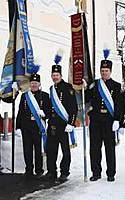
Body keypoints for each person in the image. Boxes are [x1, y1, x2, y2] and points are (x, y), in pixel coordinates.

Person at [85, 50, 121, 182]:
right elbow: (87, 99)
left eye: (106, 70)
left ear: (110, 71)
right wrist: (85, 88)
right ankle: (96, 172)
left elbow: (118, 105)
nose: (104, 72)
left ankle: (111, 173)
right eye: (102, 70)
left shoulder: (116, 86)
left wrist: (117, 119)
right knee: (94, 148)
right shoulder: (94, 84)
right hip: (95, 121)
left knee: (109, 149)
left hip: (109, 121)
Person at [43, 53, 78, 182]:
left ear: (61, 76)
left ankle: (64, 171)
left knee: (65, 151)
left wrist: (71, 123)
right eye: (53, 75)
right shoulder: (51, 88)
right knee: (51, 150)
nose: (55, 77)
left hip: (64, 125)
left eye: (57, 75)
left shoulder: (68, 88)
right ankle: (51, 171)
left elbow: (73, 107)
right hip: (52, 124)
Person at [16, 73, 50, 179]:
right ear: (29, 84)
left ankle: (39, 169)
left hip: (38, 126)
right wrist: (18, 126)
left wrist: (44, 114)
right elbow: (20, 111)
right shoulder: (25, 96)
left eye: (36, 83)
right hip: (26, 126)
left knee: (38, 148)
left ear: (39, 84)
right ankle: (29, 169)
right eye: (32, 83)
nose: (34, 85)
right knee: (27, 148)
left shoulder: (44, 95)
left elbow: (49, 111)